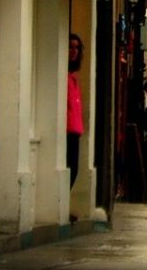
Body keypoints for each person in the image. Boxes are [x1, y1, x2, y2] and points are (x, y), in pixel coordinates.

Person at [66, 34, 84, 190]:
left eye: (77, 47)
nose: (74, 51)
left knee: (73, 169)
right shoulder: (65, 77)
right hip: (66, 130)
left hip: (74, 130)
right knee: (70, 169)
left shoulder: (72, 77)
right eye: (70, 47)